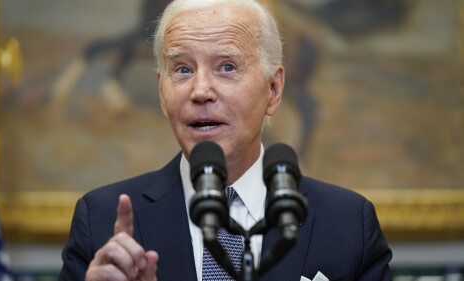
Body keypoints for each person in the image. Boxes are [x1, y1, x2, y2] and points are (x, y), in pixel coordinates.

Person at [59, 0, 392, 280]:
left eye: (227, 67)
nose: (201, 91)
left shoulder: (348, 224)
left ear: (274, 90)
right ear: (162, 93)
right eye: (184, 70)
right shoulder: (100, 223)